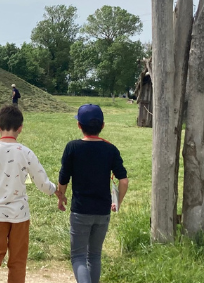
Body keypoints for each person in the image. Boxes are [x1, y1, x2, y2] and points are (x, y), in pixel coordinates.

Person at [0, 105, 65, 283]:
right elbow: (42, 183)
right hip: (20, 216)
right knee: (18, 261)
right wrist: (56, 191)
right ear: (20, 128)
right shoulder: (26, 152)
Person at [56, 104, 129, 283]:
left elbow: (63, 178)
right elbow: (124, 180)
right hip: (102, 211)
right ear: (102, 126)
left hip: (80, 210)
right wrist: (117, 201)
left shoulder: (72, 147)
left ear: (79, 125)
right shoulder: (110, 149)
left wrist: (61, 198)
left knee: (78, 256)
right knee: (94, 255)